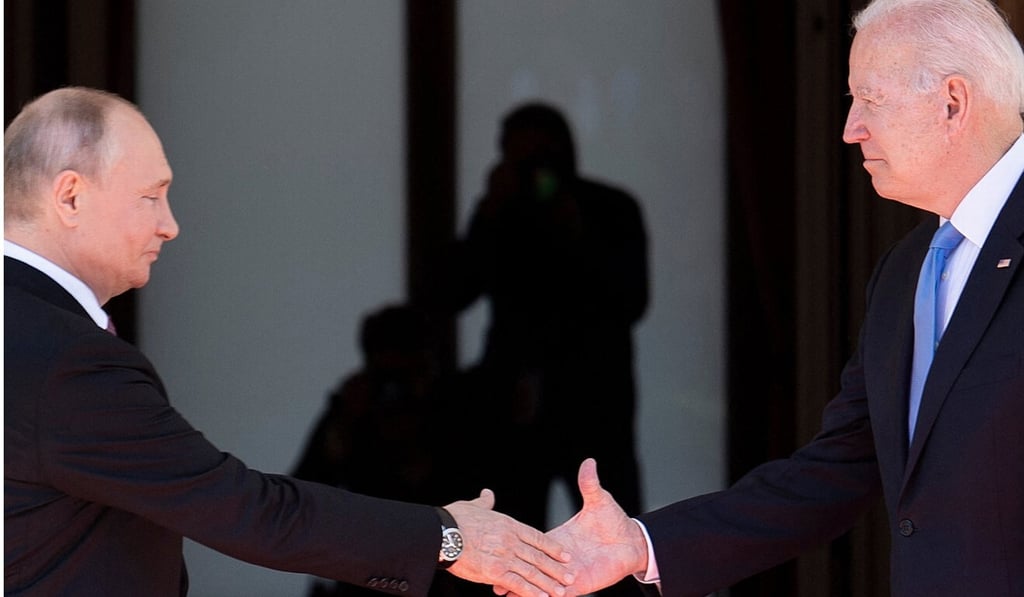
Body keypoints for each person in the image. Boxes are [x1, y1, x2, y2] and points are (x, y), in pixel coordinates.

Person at [3, 87, 576, 597]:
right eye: (151, 196)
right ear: (71, 197)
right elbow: (243, 509)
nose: (169, 224)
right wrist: (450, 538)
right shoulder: (67, 359)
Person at [542, 1, 1024, 596]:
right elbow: (836, 472)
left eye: (868, 100)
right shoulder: (906, 271)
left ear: (953, 102)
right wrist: (641, 545)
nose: (850, 129)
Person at [436, 103, 648, 556]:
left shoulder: (610, 209)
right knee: (509, 551)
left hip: (596, 404)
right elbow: (446, 295)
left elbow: (632, 300)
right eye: (520, 158)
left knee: (618, 548)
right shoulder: (501, 214)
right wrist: (491, 211)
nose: (535, 171)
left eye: (543, 156)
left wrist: (579, 234)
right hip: (514, 409)